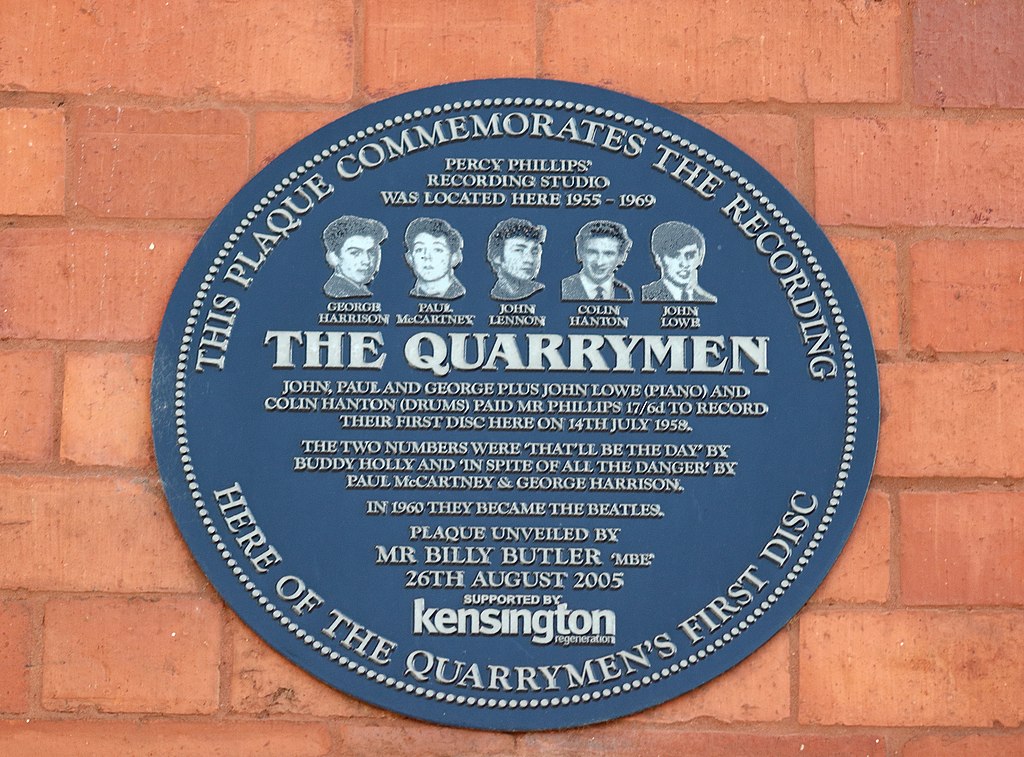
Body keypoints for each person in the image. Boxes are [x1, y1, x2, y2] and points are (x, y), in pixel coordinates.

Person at [641, 221, 717, 303]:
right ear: (658, 259)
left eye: (690, 255)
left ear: (700, 257)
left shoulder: (709, 300)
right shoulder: (646, 295)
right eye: (674, 256)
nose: (684, 264)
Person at [561, 220, 633, 301]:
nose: (599, 262)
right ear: (580, 252)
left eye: (608, 254)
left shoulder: (625, 293)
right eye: (592, 252)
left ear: (621, 257)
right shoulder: (564, 288)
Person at [322, 215, 387, 298]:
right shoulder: (337, 292)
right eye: (355, 253)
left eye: (371, 252)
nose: (366, 261)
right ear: (334, 257)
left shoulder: (360, 290)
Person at [403, 217, 466, 299]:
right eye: (419, 249)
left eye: (437, 250)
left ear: (454, 257)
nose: (427, 257)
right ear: (410, 258)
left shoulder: (458, 294)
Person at [486, 218, 546, 301]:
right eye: (519, 250)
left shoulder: (541, 292)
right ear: (497, 257)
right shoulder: (494, 294)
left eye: (534, 252)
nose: (530, 259)